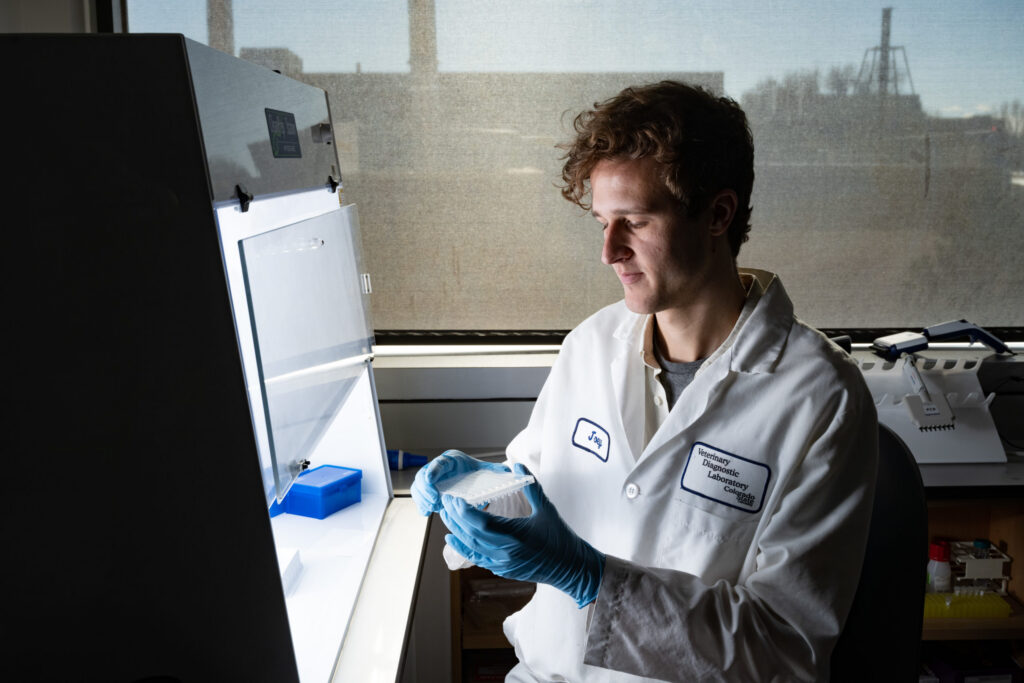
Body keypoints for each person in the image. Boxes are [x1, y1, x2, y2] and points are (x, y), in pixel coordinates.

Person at [413, 80, 878, 682]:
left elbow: (780, 647)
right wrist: (486, 492)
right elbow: (539, 489)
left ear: (718, 214)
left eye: (633, 221)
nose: (609, 250)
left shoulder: (820, 399)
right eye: (603, 222)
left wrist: (589, 578)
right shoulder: (589, 346)